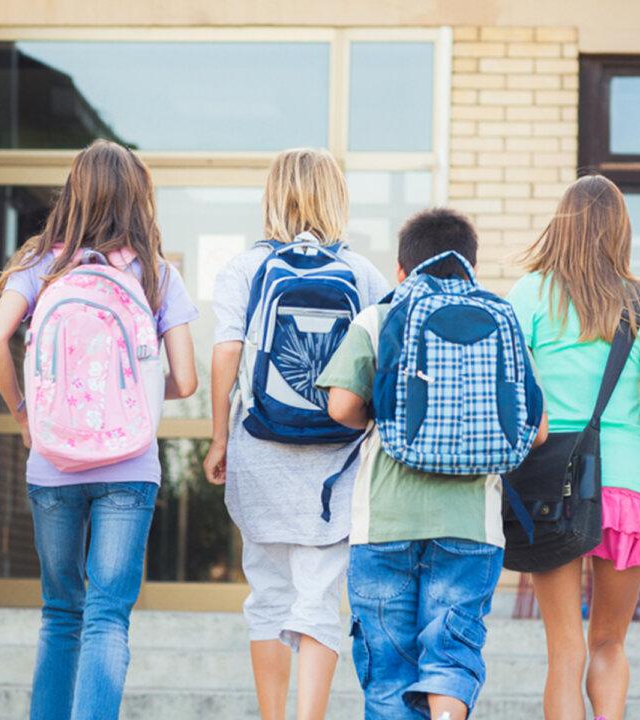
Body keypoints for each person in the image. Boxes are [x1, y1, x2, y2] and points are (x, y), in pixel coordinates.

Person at [0, 140, 198, 720]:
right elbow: (188, 379)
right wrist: (133, 392)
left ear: (71, 192)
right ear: (136, 198)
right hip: (129, 467)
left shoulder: (40, 266)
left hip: (52, 462)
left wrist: (25, 411)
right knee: (107, 615)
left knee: (60, 611)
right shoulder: (156, 272)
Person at [316, 207, 544, 720]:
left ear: (403, 269)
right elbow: (537, 426)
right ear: (471, 265)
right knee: (451, 656)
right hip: (472, 524)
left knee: (389, 671)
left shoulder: (380, 316)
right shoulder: (500, 317)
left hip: (384, 522)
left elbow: (342, 407)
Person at [203, 148, 390, 720]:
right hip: (335, 464)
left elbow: (227, 354)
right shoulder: (362, 273)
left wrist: (217, 438)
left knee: (267, 594)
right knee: (317, 599)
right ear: (336, 198)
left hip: (260, 448)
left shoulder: (245, 268)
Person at [506, 175, 640, 720]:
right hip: (623, 479)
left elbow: (515, 389)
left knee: (564, 649)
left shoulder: (530, 293)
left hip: (550, 481)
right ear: (620, 231)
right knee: (610, 642)